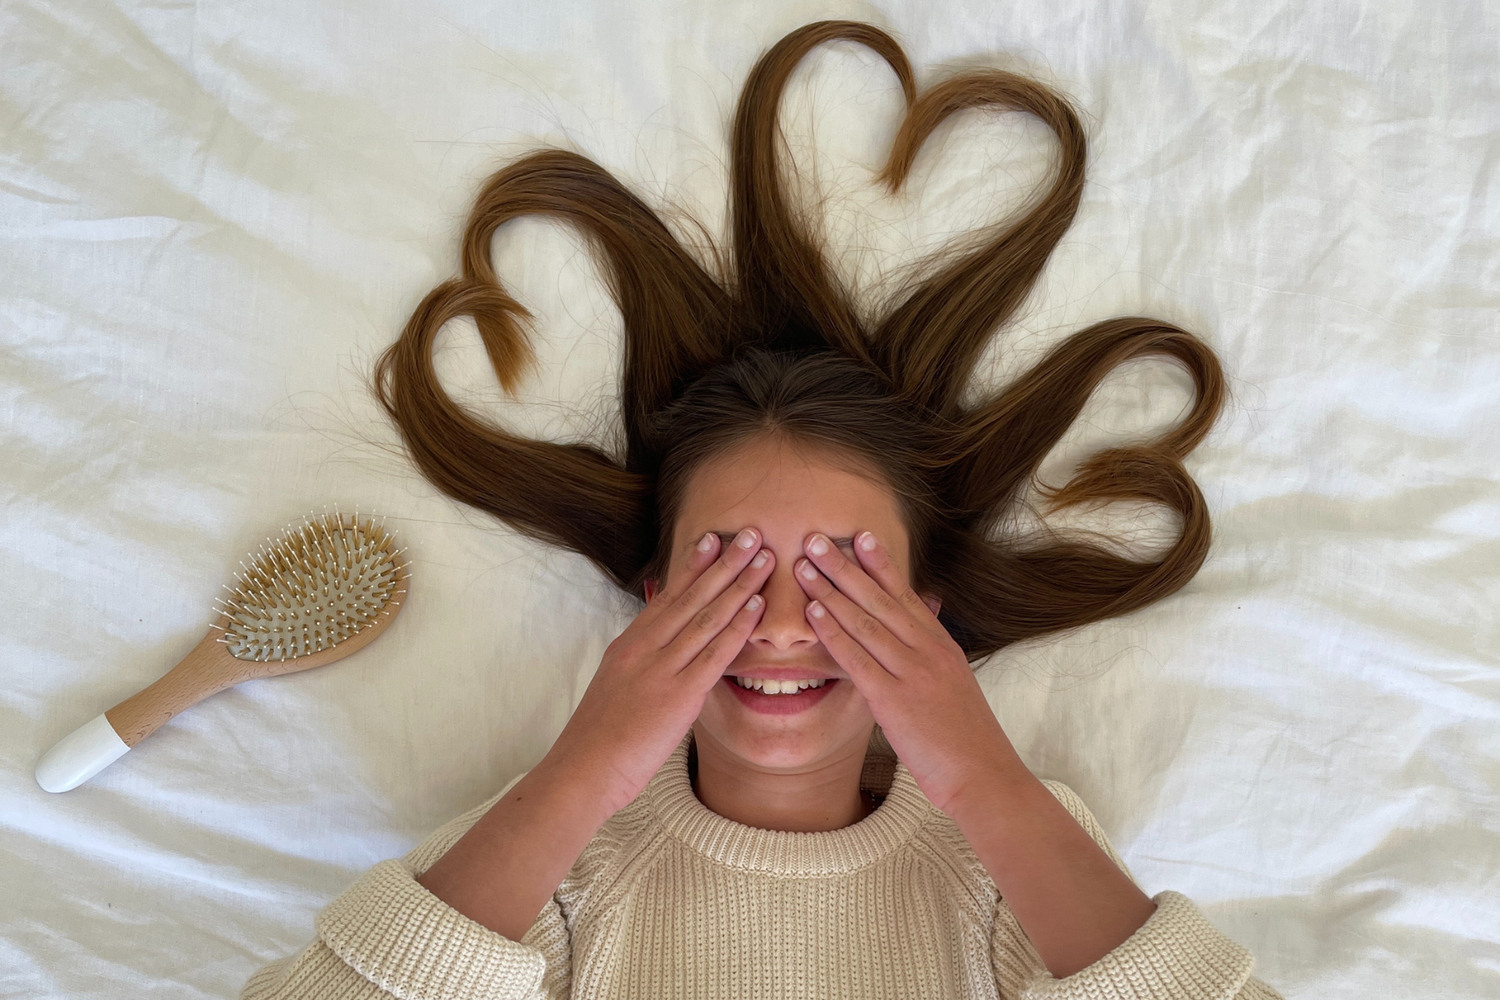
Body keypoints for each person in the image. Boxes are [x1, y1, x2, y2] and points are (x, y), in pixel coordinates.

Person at [242, 20, 1282, 1000]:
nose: (783, 621)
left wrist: (980, 777)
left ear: (930, 612)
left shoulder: (1008, 857)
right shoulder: (556, 859)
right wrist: (589, 765)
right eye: (728, 568)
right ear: (651, 601)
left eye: (844, 574)